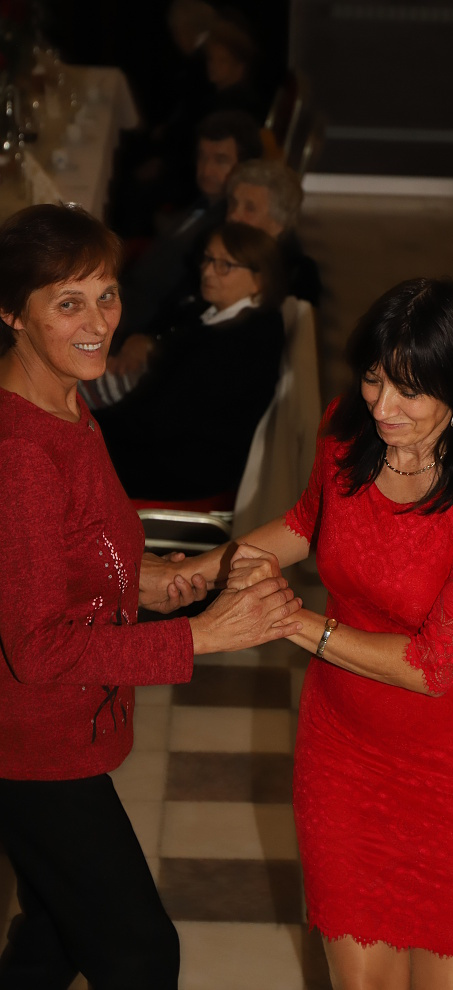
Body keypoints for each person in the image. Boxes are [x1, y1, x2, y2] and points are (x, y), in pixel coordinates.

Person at [157, 278, 453, 989]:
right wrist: (201, 571)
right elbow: (307, 523)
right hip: (345, 750)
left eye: (409, 391)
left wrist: (290, 621)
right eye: (373, 379)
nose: (383, 407)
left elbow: (432, 665)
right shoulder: (347, 432)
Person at [0, 203, 301, 990]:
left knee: (55, 937)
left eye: (106, 295)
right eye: (69, 303)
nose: (99, 321)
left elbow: (76, 553)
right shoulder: (21, 455)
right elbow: (37, 650)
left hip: (55, 733)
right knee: (139, 953)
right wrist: (203, 636)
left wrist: (158, 582)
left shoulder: (66, 402)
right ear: (12, 314)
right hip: (28, 746)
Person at [96, 221, 286, 503]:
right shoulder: (224, 316)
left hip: (183, 467)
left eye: (225, 265)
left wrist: (90, 427)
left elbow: (161, 419)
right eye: (208, 259)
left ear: (260, 279)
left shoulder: (239, 343)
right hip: (167, 443)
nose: (208, 271)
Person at [110, 109, 264, 375]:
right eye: (202, 157)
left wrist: (147, 338)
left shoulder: (225, 230)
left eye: (220, 160)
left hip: (131, 324)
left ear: (245, 167)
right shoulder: (203, 201)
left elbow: (187, 306)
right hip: (122, 296)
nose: (206, 170)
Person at [226, 158, 322, 306]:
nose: (233, 216)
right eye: (233, 203)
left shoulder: (296, 274)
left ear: (278, 223)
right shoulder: (212, 251)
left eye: (249, 208)